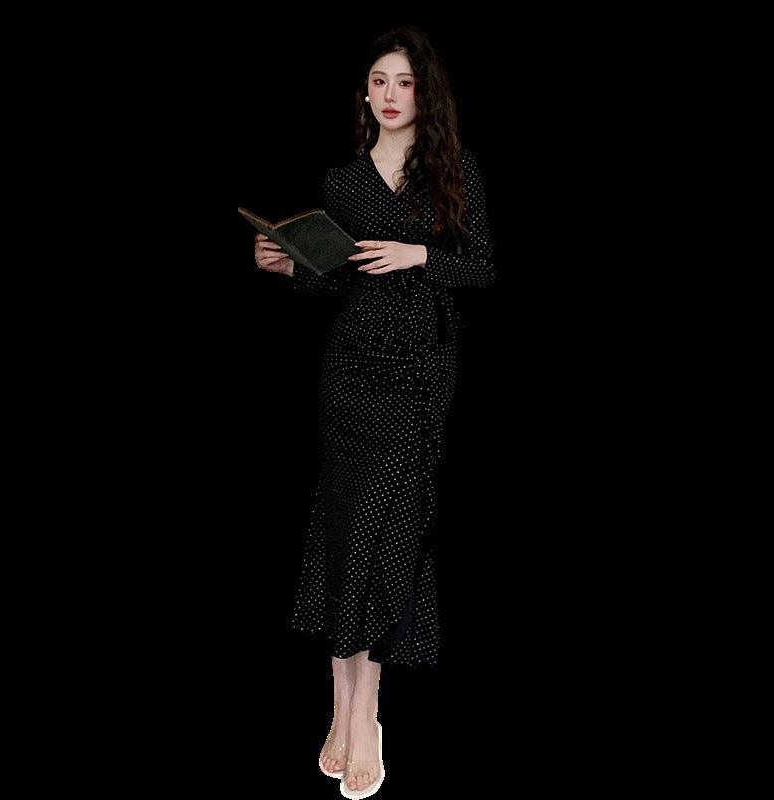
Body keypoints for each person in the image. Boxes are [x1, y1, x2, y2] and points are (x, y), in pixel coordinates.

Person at [253, 26, 495, 798]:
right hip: (352, 368)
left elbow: (482, 265)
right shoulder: (345, 180)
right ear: (364, 92)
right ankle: (340, 710)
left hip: (419, 368)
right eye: (379, 81)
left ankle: (367, 716)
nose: (390, 95)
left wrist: (418, 254)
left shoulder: (452, 168)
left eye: (404, 82)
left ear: (425, 92)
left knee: (386, 530)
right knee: (343, 529)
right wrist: (288, 265)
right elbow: (336, 279)